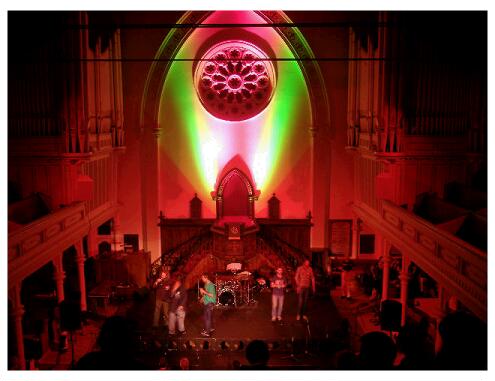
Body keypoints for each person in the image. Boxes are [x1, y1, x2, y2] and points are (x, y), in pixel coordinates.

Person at [199, 273, 216, 337]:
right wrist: (202, 298)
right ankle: (210, 328)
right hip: (207, 302)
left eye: (202, 278)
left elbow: (211, 295)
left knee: (207, 318)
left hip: (209, 303)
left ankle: (207, 332)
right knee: (209, 317)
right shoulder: (206, 284)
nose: (202, 279)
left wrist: (203, 291)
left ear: (206, 278)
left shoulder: (211, 285)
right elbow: (206, 294)